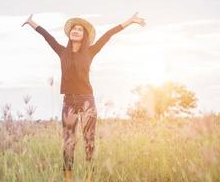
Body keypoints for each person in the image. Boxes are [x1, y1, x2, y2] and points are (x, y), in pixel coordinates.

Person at [22, 12, 146, 182]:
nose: (76, 30)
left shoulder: (91, 51)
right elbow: (47, 36)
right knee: (68, 142)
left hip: (87, 99)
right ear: (70, 33)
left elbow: (108, 35)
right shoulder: (61, 51)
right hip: (69, 102)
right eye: (74, 28)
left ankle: (89, 177)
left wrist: (130, 21)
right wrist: (31, 22)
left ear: (84, 35)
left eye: (80, 29)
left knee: (89, 140)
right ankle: (68, 178)